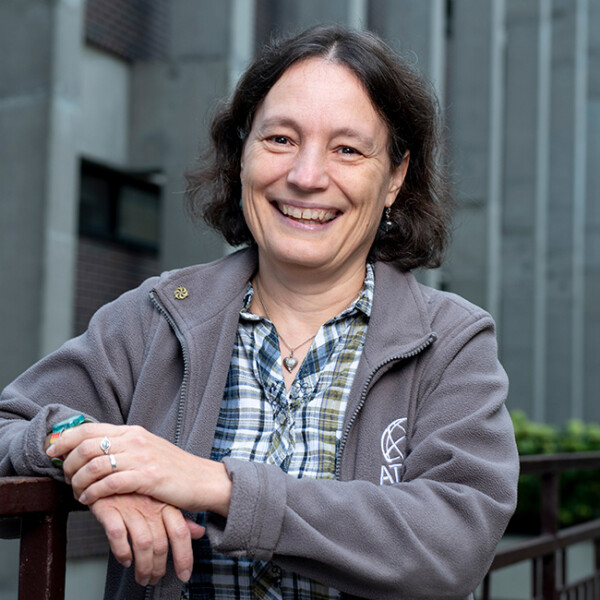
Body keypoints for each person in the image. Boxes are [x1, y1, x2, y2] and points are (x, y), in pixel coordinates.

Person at [0, 24, 519, 600]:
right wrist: (94, 456)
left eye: (347, 149)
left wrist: (218, 487)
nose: (305, 177)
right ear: (241, 153)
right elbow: (10, 427)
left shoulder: (450, 340)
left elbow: (455, 542)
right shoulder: (155, 317)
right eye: (280, 139)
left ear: (395, 176)